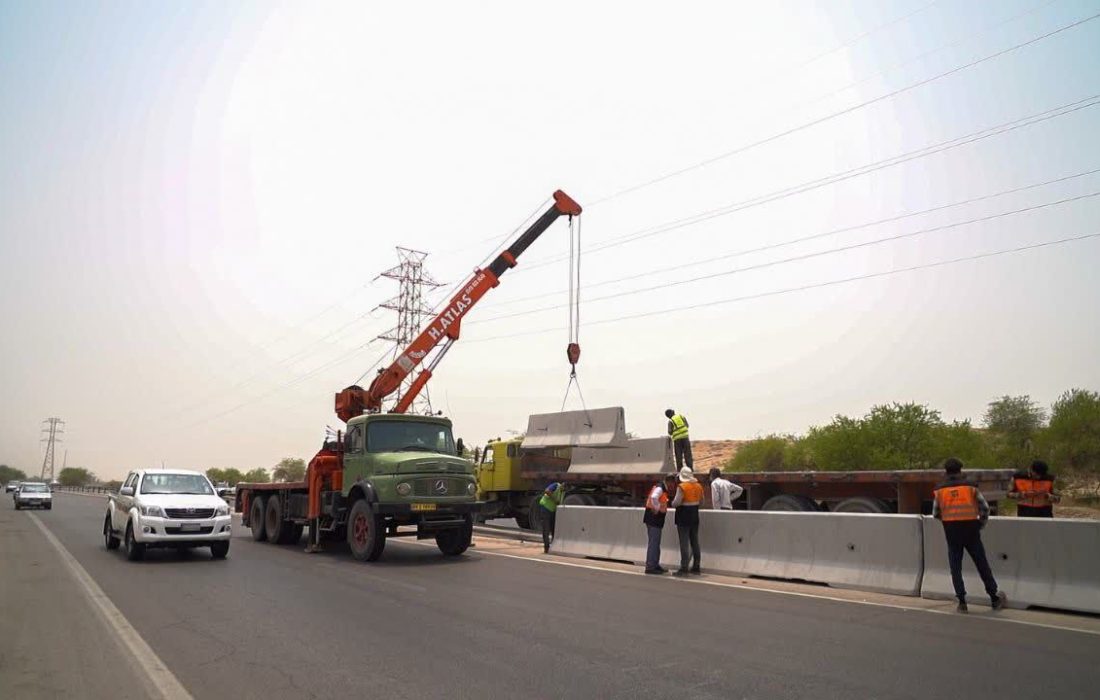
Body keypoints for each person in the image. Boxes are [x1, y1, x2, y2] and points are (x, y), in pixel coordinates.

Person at [932, 458, 1007, 613]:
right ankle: (994, 597)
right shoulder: (970, 487)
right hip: (971, 529)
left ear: (946, 472)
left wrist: (948, 521)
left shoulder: (939, 490)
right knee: (981, 563)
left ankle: (962, 602)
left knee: (955, 567)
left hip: (951, 531)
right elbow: (985, 508)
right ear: (961, 470)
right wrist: (981, 524)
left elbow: (936, 513)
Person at [670, 467, 703, 576]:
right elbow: (701, 501)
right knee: (695, 541)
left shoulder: (682, 487)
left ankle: (684, 568)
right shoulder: (698, 486)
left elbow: (676, 502)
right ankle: (696, 566)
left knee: (684, 542)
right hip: (694, 515)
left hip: (683, 516)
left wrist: (671, 503)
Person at [642, 475, 676, 574]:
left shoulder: (661, 487)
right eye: (673, 484)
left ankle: (655, 564)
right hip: (654, 519)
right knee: (654, 543)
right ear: (670, 482)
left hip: (655, 519)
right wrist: (657, 508)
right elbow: (653, 497)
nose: (673, 486)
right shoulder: (660, 488)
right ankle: (651, 567)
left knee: (656, 543)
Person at [538, 481, 565, 553]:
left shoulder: (563, 492)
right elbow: (547, 491)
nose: (564, 488)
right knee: (546, 528)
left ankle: (553, 546)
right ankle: (546, 548)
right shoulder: (556, 485)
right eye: (564, 486)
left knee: (553, 529)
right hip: (545, 508)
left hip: (552, 510)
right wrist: (554, 499)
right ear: (562, 484)